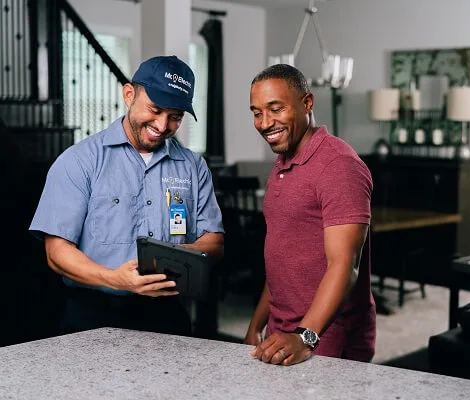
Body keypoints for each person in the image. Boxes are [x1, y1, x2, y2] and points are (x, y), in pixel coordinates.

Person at [29, 55, 224, 337]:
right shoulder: (79, 161)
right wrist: (116, 279)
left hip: (167, 315)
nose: (162, 124)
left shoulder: (193, 167)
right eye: (155, 109)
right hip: (93, 317)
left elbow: (214, 241)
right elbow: (56, 253)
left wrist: (171, 259)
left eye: (175, 117)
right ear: (129, 94)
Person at [244, 64, 375, 366]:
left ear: (307, 103)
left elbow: (345, 265)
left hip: (326, 336)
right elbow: (281, 258)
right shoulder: (282, 164)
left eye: (275, 109)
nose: (264, 123)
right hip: (282, 332)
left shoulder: (338, 165)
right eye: (256, 112)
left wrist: (305, 336)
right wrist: (256, 324)